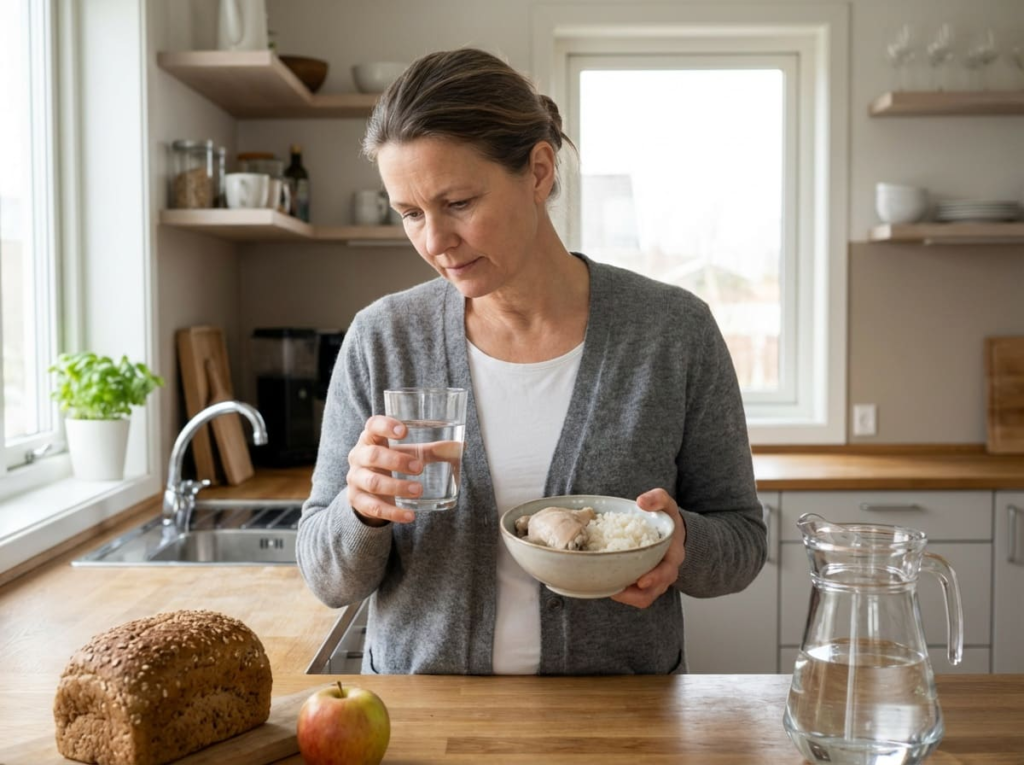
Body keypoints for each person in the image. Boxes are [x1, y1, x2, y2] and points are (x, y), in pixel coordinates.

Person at [296, 48, 766, 676]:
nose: (434, 242)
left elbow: (742, 541)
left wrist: (682, 546)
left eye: (458, 203)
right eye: (410, 214)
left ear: (539, 171)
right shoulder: (382, 340)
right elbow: (327, 577)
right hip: (426, 726)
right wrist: (359, 510)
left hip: (619, 724)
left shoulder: (672, 333)